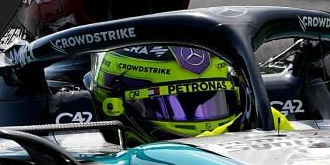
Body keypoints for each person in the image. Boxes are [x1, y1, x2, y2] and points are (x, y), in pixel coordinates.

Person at [91, 45, 289, 145]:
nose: (204, 127)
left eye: (215, 101)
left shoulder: (272, 124)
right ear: (113, 106)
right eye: (174, 106)